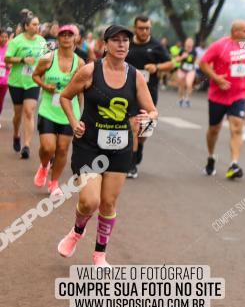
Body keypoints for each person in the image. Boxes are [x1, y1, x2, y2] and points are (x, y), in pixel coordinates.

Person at [56, 25, 158, 267]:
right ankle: (77, 231)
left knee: (109, 203)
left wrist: (150, 118)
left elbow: (152, 110)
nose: (122, 45)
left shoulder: (135, 76)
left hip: (120, 147)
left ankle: (99, 254)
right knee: (89, 201)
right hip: (89, 145)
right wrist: (73, 122)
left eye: (126, 41)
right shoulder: (90, 72)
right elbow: (65, 96)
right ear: (105, 44)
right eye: (117, 40)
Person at [199, 20, 245, 179]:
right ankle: (211, 157)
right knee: (214, 130)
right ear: (235, 32)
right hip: (218, 95)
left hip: (239, 94)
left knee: (237, 127)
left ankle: (234, 164)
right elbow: (203, 63)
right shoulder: (220, 45)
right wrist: (216, 78)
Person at [31, 24, 83, 196]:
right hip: (48, 110)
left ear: (75, 39)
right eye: (63, 35)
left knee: (62, 149)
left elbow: (83, 88)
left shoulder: (80, 63)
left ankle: (54, 183)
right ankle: (44, 165)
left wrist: (80, 113)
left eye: (70, 35)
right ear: (58, 38)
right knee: (48, 148)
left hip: (69, 112)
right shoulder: (48, 58)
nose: (66, 38)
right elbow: (35, 75)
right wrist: (46, 86)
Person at [125, 15, 173, 178]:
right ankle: (131, 165)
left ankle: (139, 148)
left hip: (149, 93)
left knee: (144, 132)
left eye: (147, 28)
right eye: (141, 28)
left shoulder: (157, 46)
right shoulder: (128, 43)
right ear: (135, 28)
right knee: (133, 126)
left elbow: (171, 64)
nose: (144, 31)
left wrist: (157, 66)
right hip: (129, 92)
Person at [5, 12, 47, 159]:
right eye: (34, 24)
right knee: (18, 114)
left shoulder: (42, 41)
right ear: (26, 26)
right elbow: (7, 58)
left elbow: (46, 59)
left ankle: (27, 145)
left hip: (33, 82)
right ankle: (16, 134)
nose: (37, 26)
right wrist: (23, 59)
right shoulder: (17, 41)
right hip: (16, 82)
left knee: (29, 111)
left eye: (38, 24)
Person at [175, 38, 197, 107]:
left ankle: (187, 99)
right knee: (181, 86)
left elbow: (196, 60)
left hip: (191, 70)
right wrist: (182, 57)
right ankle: (181, 99)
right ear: (185, 43)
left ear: (192, 44)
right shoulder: (182, 50)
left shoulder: (194, 51)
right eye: (188, 43)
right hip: (182, 70)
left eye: (191, 43)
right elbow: (177, 60)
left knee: (189, 84)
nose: (189, 44)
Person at [0, 30, 9, 131]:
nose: (4, 39)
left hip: (4, 80)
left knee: (0, 101)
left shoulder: (9, 50)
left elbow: (11, 64)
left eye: (5, 37)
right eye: (2, 36)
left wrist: (8, 65)